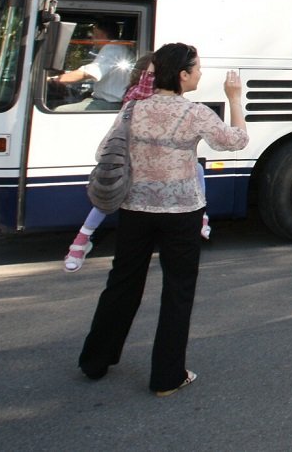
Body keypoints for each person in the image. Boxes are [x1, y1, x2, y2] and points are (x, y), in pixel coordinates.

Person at [77, 43, 247, 395]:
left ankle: (96, 360)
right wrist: (235, 98)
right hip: (182, 212)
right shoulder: (195, 113)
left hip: (134, 209)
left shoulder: (132, 108)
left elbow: (103, 151)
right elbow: (236, 141)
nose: (200, 73)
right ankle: (167, 377)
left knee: (122, 284)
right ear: (182, 75)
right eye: (197, 68)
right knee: (177, 291)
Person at [64, 56, 214, 272]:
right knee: (113, 192)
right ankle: (202, 217)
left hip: (137, 162)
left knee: (109, 195)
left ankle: (81, 240)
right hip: (138, 163)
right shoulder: (142, 95)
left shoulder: (136, 95)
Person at [53, 19, 133, 112]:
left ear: (102, 35)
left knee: (59, 110)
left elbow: (89, 72)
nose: (92, 40)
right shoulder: (120, 48)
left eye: (95, 35)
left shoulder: (112, 48)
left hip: (109, 103)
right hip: (107, 101)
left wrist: (55, 80)